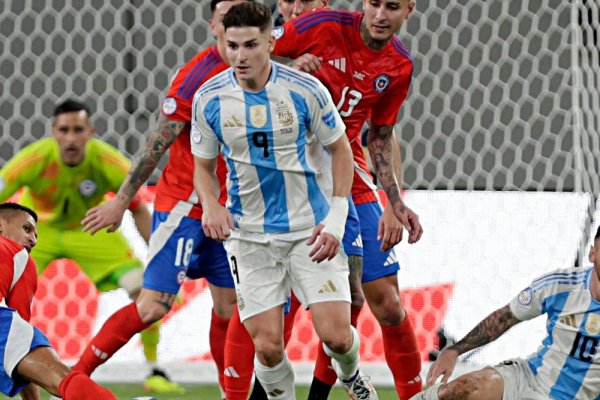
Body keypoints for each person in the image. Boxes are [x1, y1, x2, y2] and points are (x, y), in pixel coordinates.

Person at [192, 2, 377, 400]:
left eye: (250, 45)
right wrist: (210, 204)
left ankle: (353, 377)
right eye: (232, 45)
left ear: (271, 42)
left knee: (338, 337)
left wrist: (337, 218)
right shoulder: (209, 98)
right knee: (268, 347)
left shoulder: (306, 90)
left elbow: (341, 151)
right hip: (250, 237)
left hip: (310, 231)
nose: (240, 56)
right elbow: (203, 169)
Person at [73, 1, 253, 397]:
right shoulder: (196, 78)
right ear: (214, 26)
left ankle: (230, 393)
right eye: (226, 18)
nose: (235, 26)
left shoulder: (266, 66)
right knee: (153, 306)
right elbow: (157, 143)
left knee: (230, 309)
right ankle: (75, 378)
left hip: (231, 211)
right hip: (184, 206)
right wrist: (122, 200)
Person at [271, 1, 424, 398]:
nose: (380, 15)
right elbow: (246, 60)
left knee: (385, 302)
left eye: (392, 6)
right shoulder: (321, 26)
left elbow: (381, 135)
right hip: (286, 171)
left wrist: (393, 202)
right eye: (374, 3)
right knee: (274, 310)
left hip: (347, 170)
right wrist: (289, 67)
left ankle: (415, 394)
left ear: (409, 9)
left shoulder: (398, 65)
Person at [0, 99, 183, 394]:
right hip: (39, 230)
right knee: (8, 299)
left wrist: (162, 259)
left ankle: (154, 370)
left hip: (90, 229)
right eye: (64, 130)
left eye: (77, 130)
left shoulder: (107, 161)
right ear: (53, 132)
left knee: (141, 286)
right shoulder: (34, 158)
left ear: (91, 132)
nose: (71, 138)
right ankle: (24, 373)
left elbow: (138, 208)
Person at [412, 228, 600, 400]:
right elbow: (503, 319)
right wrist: (454, 351)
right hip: (529, 379)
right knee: (459, 390)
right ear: (592, 254)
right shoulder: (561, 285)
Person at [0, 202, 118, 400]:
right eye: (26, 229)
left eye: (36, 235)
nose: (33, 240)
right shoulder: (17, 253)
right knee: (61, 379)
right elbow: (18, 336)